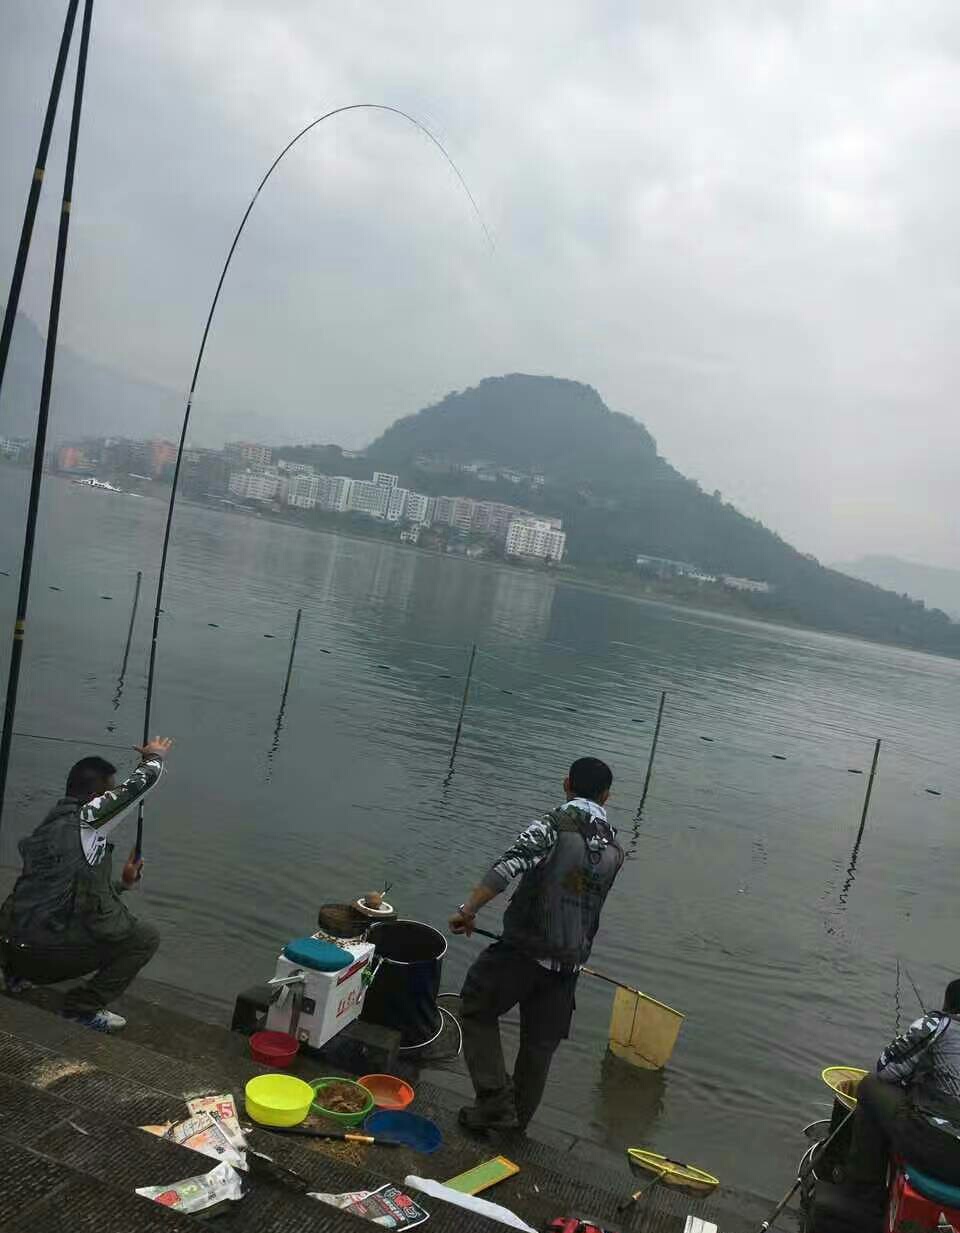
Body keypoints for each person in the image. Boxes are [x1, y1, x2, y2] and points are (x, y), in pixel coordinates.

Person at [450, 756, 624, 1132]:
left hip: (524, 950)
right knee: (539, 1045)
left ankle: (495, 1101)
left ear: (567, 784)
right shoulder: (615, 849)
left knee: (477, 1006)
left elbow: (507, 867)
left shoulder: (552, 825)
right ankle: (516, 1126)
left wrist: (468, 910)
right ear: (607, 796)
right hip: (570, 964)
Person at [0, 736, 173, 1033]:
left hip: (10, 949)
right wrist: (154, 758)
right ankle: (81, 1009)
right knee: (145, 937)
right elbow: (141, 784)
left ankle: (15, 975)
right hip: (40, 959)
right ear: (96, 795)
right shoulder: (88, 818)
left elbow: (68, 893)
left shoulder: (50, 825)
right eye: (109, 791)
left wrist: (123, 884)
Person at [843, 978, 960, 1191]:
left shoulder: (937, 1024)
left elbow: (885, 1070)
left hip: (936, 1147)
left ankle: (861, 1189)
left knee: (871, 1085)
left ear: (949, 1004)